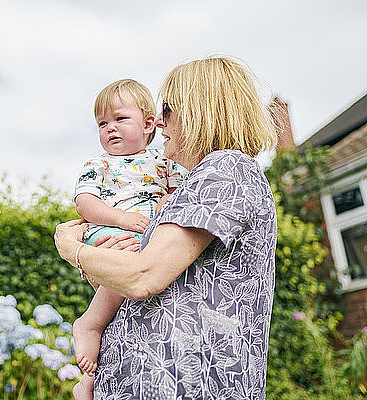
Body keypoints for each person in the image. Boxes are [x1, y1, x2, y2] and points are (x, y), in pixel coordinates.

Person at [55, 57, 278, 399]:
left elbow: (143, 276)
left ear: (203, 111)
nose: (158, 122)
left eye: (168, 109)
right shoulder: (194, 182)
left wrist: (73, 249)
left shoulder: (226, 168)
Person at [72, 79, 186, 399]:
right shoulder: (99, 164)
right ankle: (89, 324)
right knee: (131, 269)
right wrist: (121, 219)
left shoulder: (166, 161)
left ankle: (98, 376)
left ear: (149, 123)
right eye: (102, 123)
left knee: (132, 311)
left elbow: (179, 195)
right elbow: (85, 203)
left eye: (120, 119)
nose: (110, 128)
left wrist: (163, 205)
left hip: (148, 237)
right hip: (113, 232)